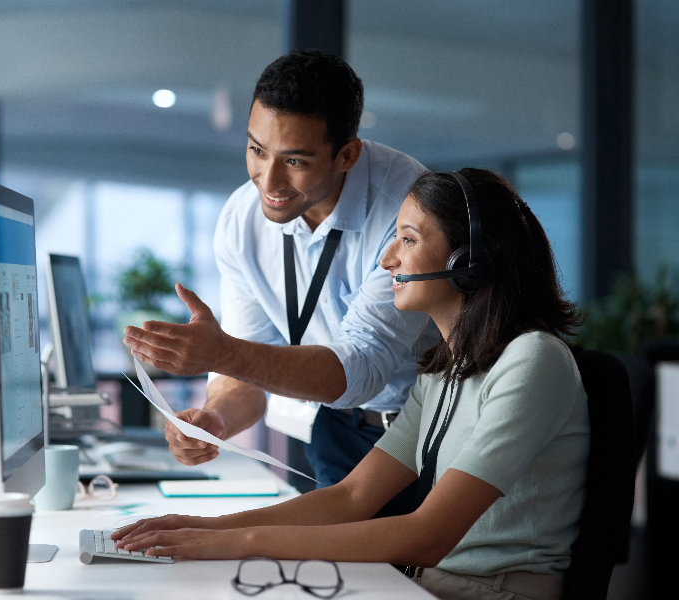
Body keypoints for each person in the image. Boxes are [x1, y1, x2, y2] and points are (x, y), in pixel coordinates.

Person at [113, 168, 590, 600]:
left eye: (407, 239)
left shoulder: (533, 360)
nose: (387, 260)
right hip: (429, 586)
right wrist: (204, 529)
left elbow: (428, 535)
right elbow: (353, 496)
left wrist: (235, 544)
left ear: (469, 261)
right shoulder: (446, 369)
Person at [123, 49, 432, 511]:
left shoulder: (408, 209)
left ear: (346, 154)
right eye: (256, 150)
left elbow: (364, 369)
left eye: (295, 161)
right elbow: (246, 373)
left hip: (423, 436)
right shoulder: (241, 220)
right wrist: (215, 418)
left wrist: (222, 352)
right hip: (332, 424)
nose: (267, 180)